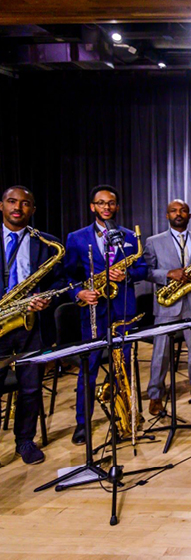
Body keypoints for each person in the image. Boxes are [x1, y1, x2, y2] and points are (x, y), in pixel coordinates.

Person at [64, 184, 148, 445]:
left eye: (111, 203)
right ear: (93, 207)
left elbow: (143, 269)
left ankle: (127, 419)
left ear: (117, 206)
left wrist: (127, 274)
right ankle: (82, 424)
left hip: (123, 310)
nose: (106, 207)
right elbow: (67, 276)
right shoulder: (76, 238)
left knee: (124, 368)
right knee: (87, 370)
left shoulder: (129, 236)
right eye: (101, 203)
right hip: (93, 311)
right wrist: (78, 293)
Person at [0, 186, 64, 464]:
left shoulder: (47, 243)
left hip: (31, 324)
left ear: (33, 210)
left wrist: (45, 297)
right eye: (12, 202)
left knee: (30, 387)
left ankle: (24, 441)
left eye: (25, 203)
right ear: (1, 205)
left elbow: (61, 281)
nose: (18, 207)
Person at [144, 199, 191, 415]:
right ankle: (155, 394)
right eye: (173, 211)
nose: (178, 213)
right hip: (167, 304)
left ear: (189, 215)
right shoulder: (153, 241)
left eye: (183, 210)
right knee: (160, 353)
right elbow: (146, 271)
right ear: (166, 215)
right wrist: (168, 274)